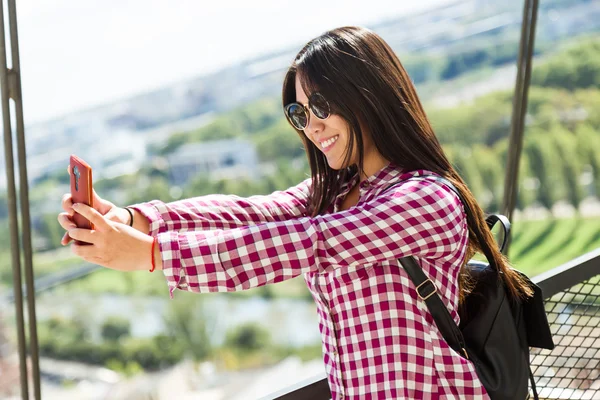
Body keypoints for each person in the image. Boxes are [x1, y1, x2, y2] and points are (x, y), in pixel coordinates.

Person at [58, 26, 532, 399]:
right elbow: (250, 213)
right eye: (300, 113)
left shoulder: (425, 198)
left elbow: (308, 244)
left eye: (322, 105)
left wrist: (156, 255)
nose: (312, 126)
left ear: (368, 94)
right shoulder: (337, 191)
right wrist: (132, 218)